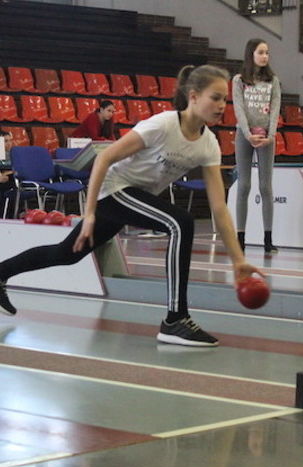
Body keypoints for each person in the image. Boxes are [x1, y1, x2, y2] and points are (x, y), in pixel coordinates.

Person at [0, 65, 262, 347]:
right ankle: (175, 319)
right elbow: (104, 158)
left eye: (225, 99)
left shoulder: (208, 145)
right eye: (216, 97)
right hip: (113, 189)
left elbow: (219, 208)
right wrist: (90, 213)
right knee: (181, 222)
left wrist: (238, 260)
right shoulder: (162, 125)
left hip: (132, 198)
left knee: (66, 253)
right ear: (194, 96)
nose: (222, 105)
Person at [232, 38, 281, 254]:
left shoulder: (273, 81)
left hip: (266, 138)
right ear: (251, 54)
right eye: (261, 52)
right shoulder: (239, 80)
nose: (264, 56)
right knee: (244, 186)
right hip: (245, 136)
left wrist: (271, 135)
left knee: (265, 187)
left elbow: (275, 108)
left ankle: (268, 239)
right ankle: (240, 238)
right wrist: (247, 133)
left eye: (267, 53)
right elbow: (239, 108)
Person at [0, 130, 16, 218]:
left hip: (11, 179)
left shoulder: (14, 154)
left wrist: (7, 174)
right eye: (6, 141)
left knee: (11, 183)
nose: (9, 143)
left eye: (10, 140)